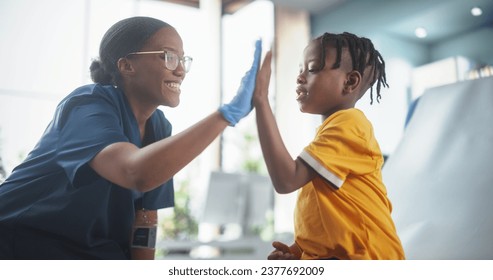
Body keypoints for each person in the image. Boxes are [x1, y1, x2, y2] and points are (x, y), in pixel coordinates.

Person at [0, 16, 261, 259]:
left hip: (88, 254)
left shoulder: (159, 127)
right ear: (126, 65)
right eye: (169, 57)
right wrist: (226, 115)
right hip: (20, 244)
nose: (181, 70)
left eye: (183, 59)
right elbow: (135, 172)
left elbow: (145, 218)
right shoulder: (87, 106)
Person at [253, 32, 405, 260]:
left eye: (312, 69)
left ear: (350, 81)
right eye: (300, 69)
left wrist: (261, 100)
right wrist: (298, 251)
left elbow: (286, 179)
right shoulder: (329, 138)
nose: (300, 77)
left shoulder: (351, 124)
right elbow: (328, 218)